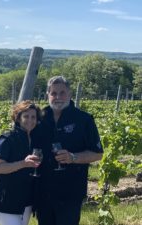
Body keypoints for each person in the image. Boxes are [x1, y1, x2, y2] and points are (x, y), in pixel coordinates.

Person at [33, 76, 103, 225]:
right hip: (43, 190)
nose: (58, 97)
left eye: (62, 93)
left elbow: (97, 154)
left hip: (70, 191)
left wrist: (73, 157)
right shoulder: (39, 118)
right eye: (53, 93)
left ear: (70, 94)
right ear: (47, 95)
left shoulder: (84, 120)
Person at [0, 100, 42, 225]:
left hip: (26, 199)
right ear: (18, 118)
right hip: (7, 199)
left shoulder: (34, 139)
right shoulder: (7, 139)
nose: (30, 120)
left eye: (33, 117)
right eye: (26, 116)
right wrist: (23, 163)